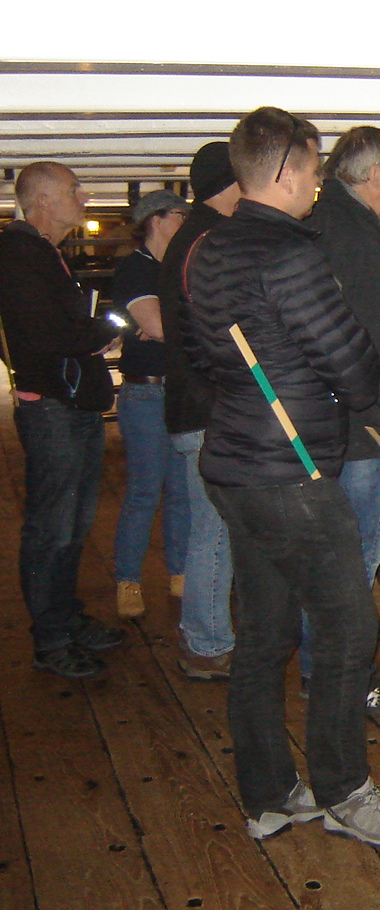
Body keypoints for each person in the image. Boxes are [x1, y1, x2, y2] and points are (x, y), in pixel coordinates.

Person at [184, 105, 380, 846]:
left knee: (263, 633)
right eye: (315, 168)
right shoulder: (291, 251)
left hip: (234, 462)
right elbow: (354, 370)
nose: (318, 181)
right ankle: (345, 791)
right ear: (285, 170)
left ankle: (269, 795)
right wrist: (336, 380)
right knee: (348, 630)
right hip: (289, 470)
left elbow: (206, 357)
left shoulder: (211, 247)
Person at [303, 125, 380, 716]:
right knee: (354, 574)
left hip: (321, 428)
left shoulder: (316, 226)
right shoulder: (362, 239)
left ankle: (320, 676)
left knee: (327, 567)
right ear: (372, 174)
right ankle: (347, 684)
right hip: (363, 435)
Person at [0, 161, 126, 679]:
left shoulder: (40, 254)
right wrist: (107, 328)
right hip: (53, 407)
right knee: (53, 528)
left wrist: (90, 328)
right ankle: (50, 640)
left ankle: (65, 619)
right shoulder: (19, 255)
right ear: (44, 200)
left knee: (71, 526)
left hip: (67, 405)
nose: (85, 197)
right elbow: (50, 334)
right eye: (75, 190)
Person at [158, 141, 242, 680]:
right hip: (209, 411)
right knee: (215, 530)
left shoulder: (192, 238)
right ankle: (208, 643)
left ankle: (207, 635)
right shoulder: (211, 240)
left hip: (196, 408)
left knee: (211, 527)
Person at [112, 189, 192, 622]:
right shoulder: (134, 269)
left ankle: (179, 574)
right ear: (157, 220)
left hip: (179, 390)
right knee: (145, 492)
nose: (188, 221)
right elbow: (158, 326)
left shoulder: (181, 268)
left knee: (181, 492)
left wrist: (168, 322)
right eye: (182, 214)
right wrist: (171, 322)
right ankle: (128, 580)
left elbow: (168, 324)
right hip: (145, 394)